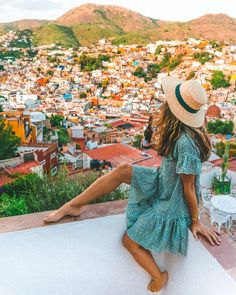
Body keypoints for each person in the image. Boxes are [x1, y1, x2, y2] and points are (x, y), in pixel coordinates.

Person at [44, 76, 221, 293]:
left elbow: (188, 187)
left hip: (173, 201)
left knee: (130, 242)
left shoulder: (185, 143)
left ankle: (159, 276)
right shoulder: (180, 133)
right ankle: (73, 205)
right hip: (162, 181)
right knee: (122, 171)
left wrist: (195, 220)